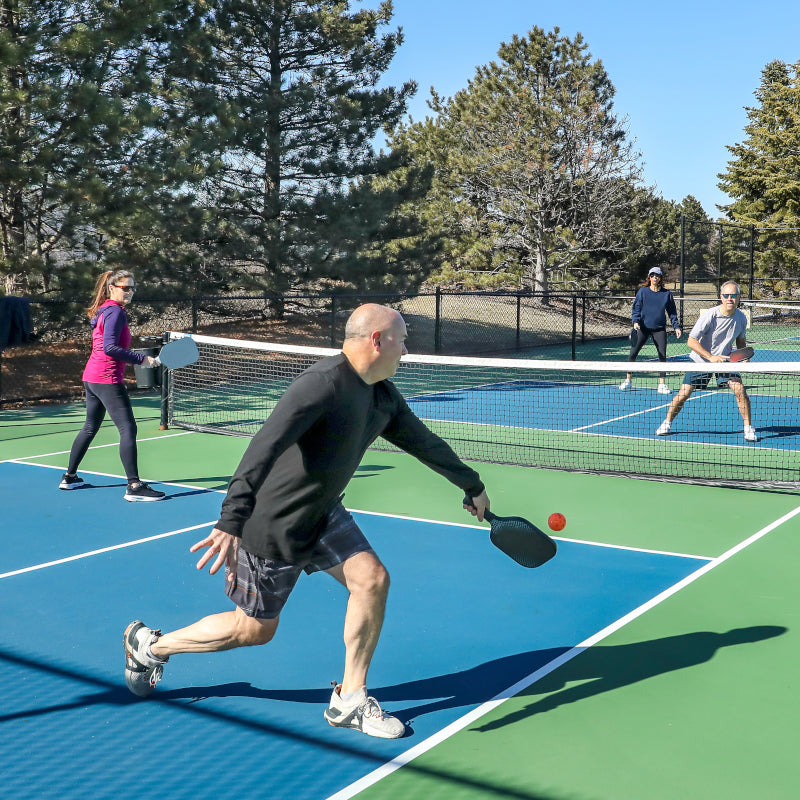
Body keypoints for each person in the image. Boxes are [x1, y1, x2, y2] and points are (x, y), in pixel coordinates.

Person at [122, 303, 490, 739]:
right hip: (275, 521)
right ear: (377, 340)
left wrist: (471, 483)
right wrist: (231, 520)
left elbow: (423, 442)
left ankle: (350, 699)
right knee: (254, 630)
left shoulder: (381, 394)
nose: (406, 350)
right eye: (402, 340)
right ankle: (150, 646)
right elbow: (263, 448)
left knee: (371, 579)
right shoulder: (320, 386)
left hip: (324, 511)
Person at [60, 270, 166, 501]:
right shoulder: (115, 313)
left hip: (91, 377)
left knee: (90, 427)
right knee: (128, 429)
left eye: (132, 288)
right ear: (112, 288)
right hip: (106, 379)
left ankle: (69, 477)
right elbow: (109, 348)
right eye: (125, 288)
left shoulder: (105, 310)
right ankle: (134, 486)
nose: (129, 292)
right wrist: (142, 359)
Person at [655, 280, 757, 442]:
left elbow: (740, 342)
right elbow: (691, 341)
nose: (729, 298)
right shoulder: (710, 315)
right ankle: (667, 423)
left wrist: (742, 357)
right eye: (726, 295)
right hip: (701, 360)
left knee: (740, 390)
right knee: (683, 395)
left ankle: (748, 428)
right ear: (721, 297)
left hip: (725, 361)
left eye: (733, 295)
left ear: (739, 297)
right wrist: (710, 357)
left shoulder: (741, 318)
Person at [619, 267, 682, 394]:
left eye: (657, 275)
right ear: (649, 277)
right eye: (652, 275)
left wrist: (676, 326)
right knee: (633, 353)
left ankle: (662, 384)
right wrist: (635, 321)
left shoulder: (666, 294)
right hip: (643, 328)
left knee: (662, 355)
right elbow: (636, 308)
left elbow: (672, 312)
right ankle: (628, 381)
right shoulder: (642, 292)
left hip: (659, 329)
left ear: (660, 278)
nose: (655, 277)